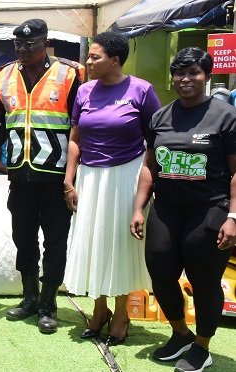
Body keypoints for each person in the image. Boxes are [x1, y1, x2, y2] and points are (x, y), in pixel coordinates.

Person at [131, 47, 236, 372]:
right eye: (179, 73)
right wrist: (138, 207)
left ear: (206, 76)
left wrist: (233, 217)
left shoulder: (225, 116)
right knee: (160, 269)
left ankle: (202, 346)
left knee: (204, 277)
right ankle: (180, 333)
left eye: (193, 73)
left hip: (209, 207)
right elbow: (150, 167)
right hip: (166, 207)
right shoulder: (160, 117)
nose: (185, 79)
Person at [0, 19, 84, 334]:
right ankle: (29, 298)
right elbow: (2, 120)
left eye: (30, 44)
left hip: (55, 178)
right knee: (23, 240)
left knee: (55, 242)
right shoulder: (4, 77)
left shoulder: (70, 74)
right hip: (20, 177)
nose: (23, 50)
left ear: (46, 42)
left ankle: (48, 305)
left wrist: (73, 176)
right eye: (18, 45)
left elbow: (79, 125)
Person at [62, 31, 159, 346]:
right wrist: (69, 179)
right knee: (92, 244)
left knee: (121, 246)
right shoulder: (85, 91)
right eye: (89, 56)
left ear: (115, 60)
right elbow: (75, 139)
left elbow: (154, 141)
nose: (88, 62)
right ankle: (99, 309)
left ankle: (121, 315)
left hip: (126, 177)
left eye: (95, 56)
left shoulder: (142, 90)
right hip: (90, 178)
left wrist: (143, 189)